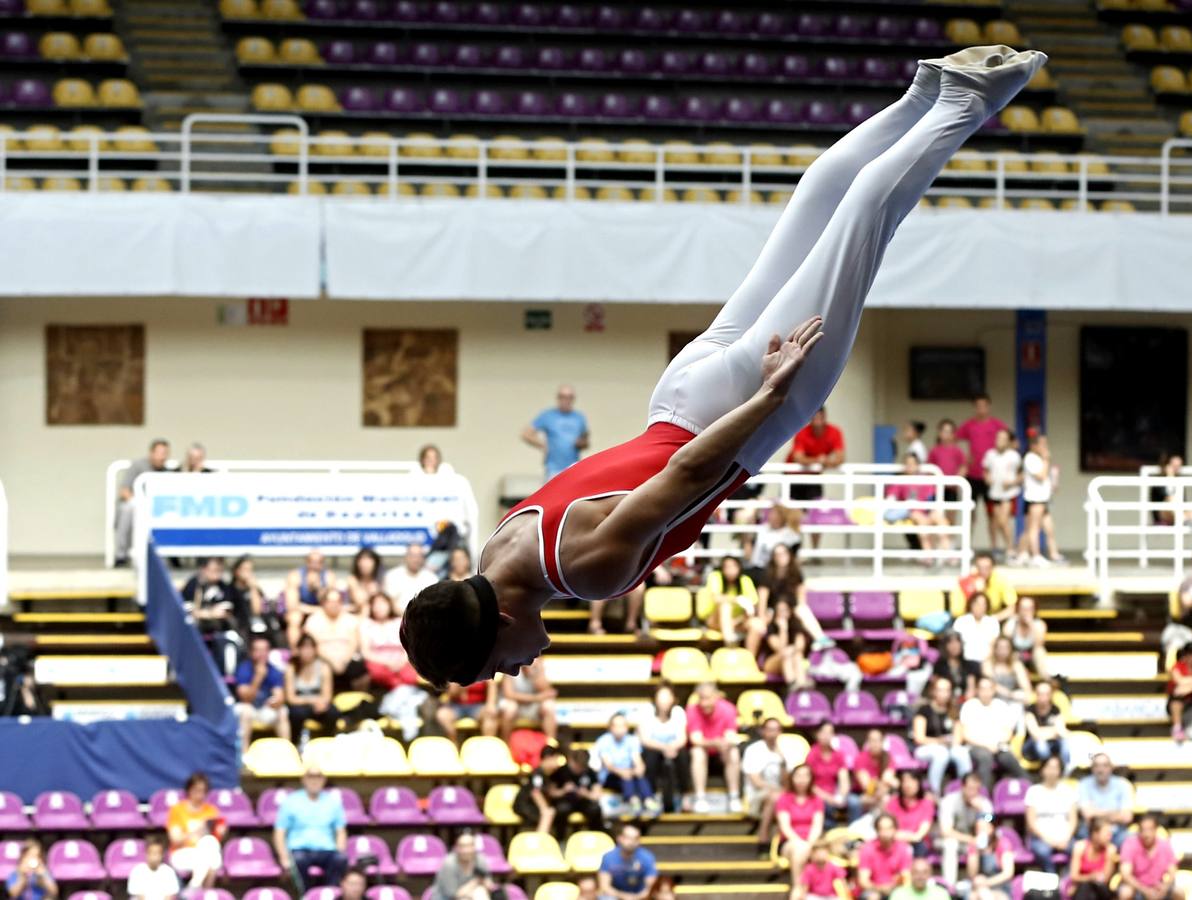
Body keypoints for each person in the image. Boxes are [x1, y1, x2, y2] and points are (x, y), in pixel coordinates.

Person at [398, 50, 1048, 687]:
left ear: (503, 621)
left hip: (729, 418)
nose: (513, 670)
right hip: (677, 395)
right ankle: (922, 96)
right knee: (810, 218)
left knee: (861, 228)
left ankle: (963, 102)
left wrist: (770, 397)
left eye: (495, 666)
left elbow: (687, 473)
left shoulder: (586, 572)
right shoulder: (496, 548)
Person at [274, 767, 348, 889]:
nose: (314, 780)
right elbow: (280, 832)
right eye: (311, 776)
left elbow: (340, 831)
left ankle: (330, 894)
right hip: (299, 850)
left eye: (318, 776)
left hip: (326, 850)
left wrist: (340, 850)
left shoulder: (333, 802)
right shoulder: (291, 801)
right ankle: (306, 895)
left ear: (324, 780)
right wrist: (283, 857)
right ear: (303, 779)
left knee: (340, 859)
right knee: (298, 861)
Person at [959, 669, 1027, 787]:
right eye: (982, 688)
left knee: (1009, 758)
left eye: (988, 688)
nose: (985, 692)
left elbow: (1008, 733)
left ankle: (1029, 787)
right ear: (977, 690)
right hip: (976, 746)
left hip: (998, 746)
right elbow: (965, 734)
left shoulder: (1001, 706)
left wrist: (996, 744)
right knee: (985, 757)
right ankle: (983, 792)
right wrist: (987, 745)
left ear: (994, 689)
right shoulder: (969, 706)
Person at [742, 717, 803, 844]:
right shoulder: (753, 750)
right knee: (775, 798)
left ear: (780, 731)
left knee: (779, 798)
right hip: (757, 796)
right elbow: (757, 782)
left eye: (776, 730)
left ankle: (775, 840)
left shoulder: (786, 750)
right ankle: (765, 838)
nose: (773, 734)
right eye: (770, 730)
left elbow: (788, 783)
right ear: (763, 731)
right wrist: (780, 791)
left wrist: (783, 762)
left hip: (781, 795)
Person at [183, 556, 246, 675]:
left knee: (229, 644)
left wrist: (202, 613)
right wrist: (209, 613)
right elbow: (187, 610)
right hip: (195, 631)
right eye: (214, 570)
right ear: (203, 569)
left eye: (220, 570)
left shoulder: (224, 587)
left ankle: (226, 678)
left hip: (221, 631)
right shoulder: (193, 585)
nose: (218, 573)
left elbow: (224, 612)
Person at [884, 454, 951, 565]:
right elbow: (892, 496)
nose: (910, 466)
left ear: (917, 465)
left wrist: (933, 511)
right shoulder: (900, 480)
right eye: (908, 464)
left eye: (912, 463)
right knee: (921, 521)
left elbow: (932, 497)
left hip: (927, 510)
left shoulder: (925, 479)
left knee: (941, 520)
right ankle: (928, 555)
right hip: (913, 511)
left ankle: (948, 552)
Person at [759, 543, 829, 647]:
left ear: (789, 555)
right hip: (773, 611)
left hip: (791, 610)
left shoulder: (796, 573)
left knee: (801, 609)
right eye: (777, 554)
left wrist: (794, 610)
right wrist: (762, 619)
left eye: (783, 553)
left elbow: (801, 599)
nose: (781, 557)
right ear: (773, 557)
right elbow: (762, 600)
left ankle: (820, 638)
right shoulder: (767, 575)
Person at [687, 682, 743, 813]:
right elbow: (696, 740)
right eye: (701, 698)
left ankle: (734, 797)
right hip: (704, 752)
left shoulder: (728, 709)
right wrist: (715, 743)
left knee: (733, 752)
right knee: (697, 752)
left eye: (707, 698)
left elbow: (730, 736)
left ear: (716, 697)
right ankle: (700, 798)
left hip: (721, 752)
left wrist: (722, 744)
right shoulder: (692, 710)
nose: (704, 703)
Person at [114, 438, 170, 566]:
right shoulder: (138, 466)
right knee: (128, 508)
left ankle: (165, 556)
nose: (162, 457)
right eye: (160, 453)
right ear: (151, 453)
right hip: (136, 504)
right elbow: (124, 490)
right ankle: (121, 555)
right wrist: (141, 504)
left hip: (156, 508)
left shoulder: (166, 471)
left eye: (165, 453)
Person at [957, 395, 1011, 529]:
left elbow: (1011, 442)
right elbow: (955, 440)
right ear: (974, 407)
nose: (981, 409)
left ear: (989, 407)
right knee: (969, 510)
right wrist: (964, 460)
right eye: (978, 406)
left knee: (992, 513)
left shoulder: (997, 424)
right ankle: (967, 540)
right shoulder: (969, 425)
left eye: (984, 406)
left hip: (991, 476)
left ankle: (994, 542)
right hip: (972, 474)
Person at [912, 675, 972, 794]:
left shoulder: (954, 710)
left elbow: (958, 737)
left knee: (961, 753)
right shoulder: (924, 710)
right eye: (940, 690)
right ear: (933, 691)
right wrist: (940, 741)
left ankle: (967, 790)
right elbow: (919, 738)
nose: (943, 694)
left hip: (949, 746)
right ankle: (934, 792)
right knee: (941, 753)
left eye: (946, 690)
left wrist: (951, 741)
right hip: (926, 748)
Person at [636, 685, 690, 813]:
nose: (664, 701)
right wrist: (664, 748)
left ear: (673, 699)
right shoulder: (646, 711)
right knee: (650, 755)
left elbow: (682, 738)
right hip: (653, 749)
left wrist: (671, 747)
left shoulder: (678, 712)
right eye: (661, 697)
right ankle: (651, 795)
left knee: (683, 754)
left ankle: (685, 795)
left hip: (673, 749)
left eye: (667, 697)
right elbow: (644, 740)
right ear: (655, 699)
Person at [166, 772, 224, 889]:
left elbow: (216, 839)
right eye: (197, 790)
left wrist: (220, 831)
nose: (200, 794)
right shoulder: (177, 810)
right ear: (189, 790)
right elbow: (175, 840)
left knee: (211, 848)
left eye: (203, 791)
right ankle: (203, 892)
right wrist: (195, 831)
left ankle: (194, 888)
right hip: (182, 853)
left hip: (205, 852)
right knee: (212, 860)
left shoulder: (211, 811)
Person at [303, 589, 367, 692]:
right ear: (323, 603)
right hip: (323, 658)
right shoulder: (313, 620)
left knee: (361, 670)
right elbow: (313, 646)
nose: (334, 605)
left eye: (337, 601)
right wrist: (332, 661)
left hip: (347, 658)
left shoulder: (351, 619)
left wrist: (344, 660)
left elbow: (354, 643)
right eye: (331, 601)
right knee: (321, 668)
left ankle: (359, 699)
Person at [233, 634, 290, 750]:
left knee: (283, 711)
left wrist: (275, 701)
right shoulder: (244, 669)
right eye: (258, 650)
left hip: (265, 709)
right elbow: (245, 698)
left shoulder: (274, 670)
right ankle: (243, 754)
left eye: (265, 650)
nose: (262, 653)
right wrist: (258, 677)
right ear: (251, 652)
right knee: (245, 711)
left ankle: (287, 750)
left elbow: (279, 696)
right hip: (248, 708)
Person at [594, 713, 658, 816]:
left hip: (630, 774)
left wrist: (639, 769)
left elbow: (638, 761)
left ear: (626, 727)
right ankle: (633, 801)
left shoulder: (632, 740)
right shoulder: (604, 741)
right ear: (610, 728)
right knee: (627, 778)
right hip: (611, 777)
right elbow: (609, 766)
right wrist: (625, 772)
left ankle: (648, 800)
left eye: (622, 725)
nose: (619, 729)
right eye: (616, 726)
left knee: (639, 776)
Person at [936, 772, 993, 885]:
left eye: (976, 789)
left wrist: (981, 812)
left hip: (974, 842)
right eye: (970, 788)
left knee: (983, 845)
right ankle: (949, 886)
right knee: (950, 844)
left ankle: (975, 885)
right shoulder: (949, 801)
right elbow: (945, 831)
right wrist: (970, 839)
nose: (973, 792)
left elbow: (990, 822)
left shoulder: (984, 803)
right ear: (963, 787)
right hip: (951, 839)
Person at [526, 384, 591, 482]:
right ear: (558, 398)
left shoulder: (579, 417)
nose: (566, 400)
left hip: (574, 468)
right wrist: (542, 445)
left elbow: (585, 441)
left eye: (569, 397)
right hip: (553, 469)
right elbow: (527, 433)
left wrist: (581, 443)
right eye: (563, 397)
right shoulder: (548, 416)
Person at [1024, 755, 1077, 873]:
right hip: (1041, 838)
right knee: (1042, 851)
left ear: (1060, 770)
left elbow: (1073, 820)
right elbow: (1031, 823)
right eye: (1049, 767)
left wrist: (1066, 838)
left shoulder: (1068, 791)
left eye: (1055, 768)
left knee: (1077, 849)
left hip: (1065, 837)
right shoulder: (1033, 791)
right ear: (1042, 769)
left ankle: (1067, 879)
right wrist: (1049, 840)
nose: (1052, 771)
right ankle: (1052, 879)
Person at [787, 406, 846, 507]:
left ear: (824, 417)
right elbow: (798, 458)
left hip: (814, 475)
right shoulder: (802, 432)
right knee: (791, 508)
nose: (817, 422)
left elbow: (840, 458)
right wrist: (818, 460)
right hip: (794, 475)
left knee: (814, 507)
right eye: (815, 418)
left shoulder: (834, 432)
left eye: (819, 417)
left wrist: (825, 462)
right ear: (810, 418)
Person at [1018, 432, 1062, 566]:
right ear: (1034, 445)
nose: (1045, 447)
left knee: (1049, 528)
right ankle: (1035, 555)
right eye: (1042, 444)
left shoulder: (1039, 459)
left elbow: (1046, 480)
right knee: (1033, 528)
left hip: (1043, 498)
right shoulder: (1030, 458)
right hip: (1034, 499)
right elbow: (1041, 476)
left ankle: (1053, 554)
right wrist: (1046, 459)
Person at [1116, 814, 1184, 900]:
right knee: (1126, 892)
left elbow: (1172, 871)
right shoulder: (1130, 844)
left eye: (1150, 829)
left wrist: (1164, 887)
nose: (1146, 834)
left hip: (1158, 887)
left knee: (1179, 892)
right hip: (1137, 887)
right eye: (1143, 830)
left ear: (1156, 830)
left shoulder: (1165, 845)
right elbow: (1126, 874)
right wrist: (1145, 890)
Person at [776, 764, 825, 884]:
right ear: (792, 778)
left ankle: (799, 889)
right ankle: (799, 887)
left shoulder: (817, 800)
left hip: (812, 842)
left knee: (808, 851)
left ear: (811, 779)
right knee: (799, 848)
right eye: (798, 776)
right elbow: (785, 827)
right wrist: (801, 843)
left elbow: (817, 826)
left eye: (805, 776)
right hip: (790, 842)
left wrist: (809, 843)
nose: (802, 779)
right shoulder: (783, 799)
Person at [707, 556, 765, 653]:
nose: (730, 570)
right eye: (727, 567)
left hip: (738, 621)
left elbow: (752, 605)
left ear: (739, 568)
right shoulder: (715, 576)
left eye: (733, 566)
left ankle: (750, 658)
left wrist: (739, 619)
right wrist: (737, 599)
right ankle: (731, 645)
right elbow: (716, 598)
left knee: (757, 624)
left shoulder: (745, 580)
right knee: (725, 605)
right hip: (715, 621)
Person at [547, 745, 606, 840]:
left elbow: (597, 795)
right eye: (577, 766)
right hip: (565, 802)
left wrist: (586, 794)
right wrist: (563, 791)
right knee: (561, 809)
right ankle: (560, 840)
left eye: (582, 767)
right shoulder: (561, 772)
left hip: (583, 802)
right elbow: (551, 793)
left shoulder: (590, 773)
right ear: (571, 761)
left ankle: (597, 838)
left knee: (595, 809)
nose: (579, 769)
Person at [360, 591, 417, 690]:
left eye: (383, 603)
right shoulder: (366, 624)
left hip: (401, 661)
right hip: (378, 662)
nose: (379, 607)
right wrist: (387, 662)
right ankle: (400, 691)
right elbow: (366, 652)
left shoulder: (399, 622)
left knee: (410, 677)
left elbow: (408, 647)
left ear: (389, 605)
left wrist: (402, 661)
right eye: (375, 604)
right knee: (381, 674)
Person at [284, 634, 336, 742]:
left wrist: (321, 703)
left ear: (315, 650)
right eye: (304, 648)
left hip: (319, 704)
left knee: (333, 712)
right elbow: (291, 698)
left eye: (310, 648)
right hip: (300, 705)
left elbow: (327, 696)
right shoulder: (291, 668)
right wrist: (312, 701)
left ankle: (327, 740)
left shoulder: (323, 667)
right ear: (298, 650)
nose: (307, 652)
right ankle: (295, 742)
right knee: (296, 714)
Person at [807, 721, 862, 823]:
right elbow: (810, 785)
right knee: (822, 804)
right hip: (818, 794)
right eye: (823, 732)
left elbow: (844, 780)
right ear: (817, 734)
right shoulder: (811, 755)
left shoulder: (838, 754)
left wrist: (841, 796)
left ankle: (855, 828)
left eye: (830, 733)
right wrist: (829, 799)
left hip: (835, 792)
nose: (826, 736)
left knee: (855, 802)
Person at [1077, 754, 1135, 847]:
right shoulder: (1084, 784)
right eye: (1097, 766)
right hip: (1092, 832)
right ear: (1092, 768)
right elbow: (1088, 815)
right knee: (1081, 836)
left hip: (1116, 833)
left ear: (1111, 767)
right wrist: (1115, 814)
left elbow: (1127, 817)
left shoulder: (1123, 784)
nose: (1100, 770)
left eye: (1105, 765)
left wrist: (1097, 813)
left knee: (1130, 839)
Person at [493, 658, 558, 739]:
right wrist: (536, 698)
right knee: (510, 708)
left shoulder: (539, 669)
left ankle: (551, 743)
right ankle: (505, 742)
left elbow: (548, 693)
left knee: (549, 706)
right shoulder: (511, 667)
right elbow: (509, 694)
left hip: (533, 707)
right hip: (515, 706)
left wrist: (536, 675)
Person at [980, 428, 1021, 557]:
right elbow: (985, 471)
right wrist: (987, 478)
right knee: (995, 522)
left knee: (1003, 520)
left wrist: (1012, 482)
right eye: (998, 438)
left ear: (1008, 441)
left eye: (1004, 439)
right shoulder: (990, 454)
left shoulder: (1014, 456)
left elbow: (1021, 474)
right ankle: (995, 547)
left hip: (1008, 493)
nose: (1000, 441)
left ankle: (1010, 547)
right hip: (994, 492)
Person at [284, 550, 337, 647]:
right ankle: (295, 650)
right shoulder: (295, 576)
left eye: (319, 562)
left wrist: (319, 589)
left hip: (322, 611)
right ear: (307, 562)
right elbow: (292, 605)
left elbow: (332, 602)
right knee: (294, 618)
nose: (315, 565)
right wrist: (314, 610)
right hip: (303, 611)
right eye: (312, 562)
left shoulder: (329, 576)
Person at [858, 814, 914, 900]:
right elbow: (863, 881)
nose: (885, 832)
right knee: (873, 897)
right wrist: (880, 889)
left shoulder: (903, 848)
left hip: (895, 889)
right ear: (876, 830)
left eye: (889, 828)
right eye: (882, 829)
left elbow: (906, 877)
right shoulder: (867, 848)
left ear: (895, 829)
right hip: (873, 890)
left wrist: (895, 886)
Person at [230, 555, 282, 647]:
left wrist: (253, 588)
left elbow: (257, 610)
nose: (248, 573)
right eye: (245, 569)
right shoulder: (230, 590)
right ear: (236, 571)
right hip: (240, 625)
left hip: (258, 623)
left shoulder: (254, 589)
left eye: (250, 570)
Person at [883, 770, 936, 855]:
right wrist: (896, 836)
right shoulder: (893, 803)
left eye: (912, 781)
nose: (908, 785)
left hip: (917, 843)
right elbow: (886, 827)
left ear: (918, 783)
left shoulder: (927, 804)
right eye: (905, 781)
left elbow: (920, 834)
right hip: (895, 840)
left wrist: (909, 837)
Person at [430, 832, 497, 900]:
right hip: (445, 897)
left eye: (470, 846)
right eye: (462, 846)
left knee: (480, 892)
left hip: (470, 893)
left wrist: (487, 884)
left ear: (474, 847)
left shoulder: (480, 860)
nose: (466, 850)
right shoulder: (449, 863)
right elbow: (453, 894)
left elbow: (489, 884)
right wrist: (476, 881)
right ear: (456, 848)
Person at [745, 504, 802, 584]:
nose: (771, 516)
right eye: (771, 513)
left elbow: (793, 559)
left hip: (776, 571)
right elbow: (749, 550)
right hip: (757, 567)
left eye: (775, 514)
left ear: (782, 516)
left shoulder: (791, 535)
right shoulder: (762, 530)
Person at [599, 824, 658, 900]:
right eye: (628, 838)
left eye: (635, 838)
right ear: (619, 838)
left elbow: (649, 888)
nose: (632, 842)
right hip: (616, 896)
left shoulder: (647, 857)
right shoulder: (608, 857)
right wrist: (624, 896)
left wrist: (636, 898)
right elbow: (605, 887)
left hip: (640, 897)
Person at [962, 817, 1015, 900]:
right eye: (978, 829)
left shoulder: (1002, 843)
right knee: (974, 895)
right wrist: (976, 851)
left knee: (984, 894)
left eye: (984, 828)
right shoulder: (974, 846)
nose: (981, 831)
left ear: (992, 828)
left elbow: (1008, 873)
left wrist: (986, 882)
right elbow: (971, 874)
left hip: (999, 887)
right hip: (978, 888)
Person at [1023, 681, 1071, 767]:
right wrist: (1054, 731)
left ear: (1050, 695)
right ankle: (1048, 769)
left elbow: (1062, 732)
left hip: (1051, 744)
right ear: (1036, 695)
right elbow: (1035, 734)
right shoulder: (1030, 710)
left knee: (1065, 742)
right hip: (1031, 747)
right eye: (1040, 694)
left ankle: (1066, 769)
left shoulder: (1055, 710)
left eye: (1046, 694)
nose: (1043, 697)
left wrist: (1042, 731)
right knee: (1041, 744)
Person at [982, 635, 1033, 714]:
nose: (1003, 651)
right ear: (995, 649)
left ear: (1010, 649)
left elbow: (1025, 685)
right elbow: (991, 684)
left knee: (1021, 701)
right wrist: (1010, 694)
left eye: (1006, 648)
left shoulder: (1016, 664)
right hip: (992, 699)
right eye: (1000, 647)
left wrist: (1026, 694)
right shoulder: (988, 664)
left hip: (1012, 701)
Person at [384, 544, 439, 616]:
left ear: (423, 558)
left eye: (419, 556)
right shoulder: (392, 576)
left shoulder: (432, 578)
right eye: (412, 556)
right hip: (397, 618)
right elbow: (389, 602)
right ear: (406, 557)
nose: (415, 559)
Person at [957, 553, 1017, 619]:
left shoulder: (1001, 581)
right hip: (972, 619)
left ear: (993, 567)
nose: (983, 571)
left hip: (996, 618)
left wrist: (992, 620)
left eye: (986, 568)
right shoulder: (968, 580)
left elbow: (1011, 609)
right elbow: (957, 611)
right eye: (980, 567)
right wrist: (977, 592)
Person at [1003, 595, 1050, 680]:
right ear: (1018, 609)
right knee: (1014, 659)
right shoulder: (1011, 624)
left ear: (1034, 610)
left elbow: (1039, 644)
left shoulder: (1039, 624)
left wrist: (1031, 624)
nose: (1026, 612)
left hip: (1032, 658)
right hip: (1015, 658)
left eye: (1029, 609)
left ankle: (1047, 681)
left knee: (1039, 652)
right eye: (1023, 608)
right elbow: (1006, 646)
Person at [1068, 820, 1117, 900]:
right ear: (1095, 834)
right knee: (1085, 887)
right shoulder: (1080, 847)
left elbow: (1105, 879)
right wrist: (1091, 877)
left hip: (1100, 889)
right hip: (1083, 888)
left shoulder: (1110, 850)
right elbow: (1074, 876)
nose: (1110, 837)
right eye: (1107, 834)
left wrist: (1088, 878)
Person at [434, 680, 499, 739]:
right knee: (442, 715)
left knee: (490, 715)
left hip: (478, 705)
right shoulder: (455, 671)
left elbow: (492, 686)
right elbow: (452, 693)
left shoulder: (483, 671)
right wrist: (459, 682)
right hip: (456, 705)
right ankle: (453, 744)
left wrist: (491, 704)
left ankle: (487, 745)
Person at [927, 420, 968, 513]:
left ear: (953, 434)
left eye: (949, 432)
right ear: (939, 433)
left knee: (951, 514)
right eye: (944, 431)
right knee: (936, 513)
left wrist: (955, 480)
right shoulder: (934, 450)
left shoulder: (957, 450)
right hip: (937, 489)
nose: (946, 434)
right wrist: (939, 480)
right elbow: (930, 469)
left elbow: (963, 467)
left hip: (952, 489)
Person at [853, 728, 898, 812]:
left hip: (882, 794)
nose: (875, 744)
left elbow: (887, 779)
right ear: (867, 743)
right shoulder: (860, 758)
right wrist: (883, 783)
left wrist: (882, 784)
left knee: (888, 799)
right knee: (883, 800)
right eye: (872, 740)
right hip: (863, 795)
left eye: (878, 740)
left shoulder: (888, 757)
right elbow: (867, 787)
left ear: (882, 742)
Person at [952, 592, 1001, 668]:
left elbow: (994, 645)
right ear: (971, 605)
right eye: (977, 604)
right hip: (965, 662)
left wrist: (986, 662)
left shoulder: (993, 622)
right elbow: (955, 643)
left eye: (983, 604)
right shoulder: (961, 621)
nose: (980, 607)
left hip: (987, 663)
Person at [127, 835, 181, 900]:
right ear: (146, 853)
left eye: (158, 853)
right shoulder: (137, 871)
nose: (155, 857)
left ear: (162, 854)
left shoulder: (169, 872)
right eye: (152, 853)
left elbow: (169, 897)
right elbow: (140, 897)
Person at [929, 631, 977, 701]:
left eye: (957, 642)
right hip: (945, 701)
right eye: (950, 642)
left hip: (965, 701)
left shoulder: (969, 665)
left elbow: (971, 688)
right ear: (945, 645)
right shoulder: (939, 666)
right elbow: (934, 688)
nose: (954, 646)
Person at [346, 548, 383, 613]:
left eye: (369, 561)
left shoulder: (380, 580)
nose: (365, 564)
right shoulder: (352, 579)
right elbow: (359, 600)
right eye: (362, 560)